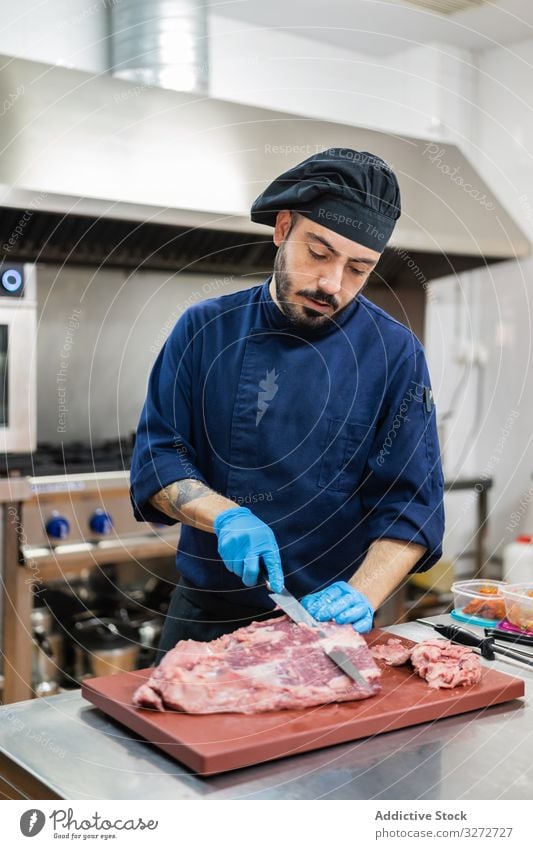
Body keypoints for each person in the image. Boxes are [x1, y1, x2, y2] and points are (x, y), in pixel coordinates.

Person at [130, 147, 445, 660]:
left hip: (328, 629)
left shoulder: (395, 354)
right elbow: (158, 460)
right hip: (205, 620)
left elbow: (411, 505)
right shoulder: (205, 330)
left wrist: (360, 596)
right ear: (282, 228)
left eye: (358, 269)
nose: (332, 284)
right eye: (318, 254)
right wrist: (226, 517)